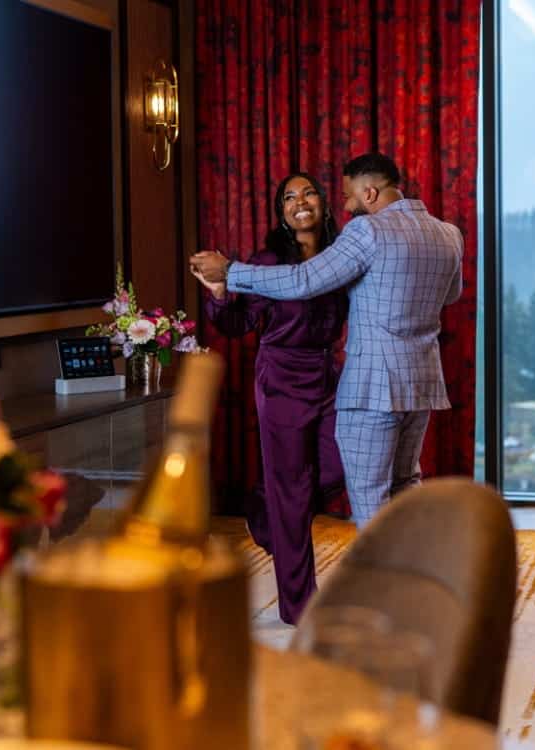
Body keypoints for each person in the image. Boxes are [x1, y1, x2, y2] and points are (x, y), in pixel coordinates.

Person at [191, 153, 463, 527]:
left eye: (350, 197)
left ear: (369, 193)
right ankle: (410, 576)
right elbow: (450, 296)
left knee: (370, 500)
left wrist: (232, 272)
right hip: (421, 387)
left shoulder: (367, 231)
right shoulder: (448, 234)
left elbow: (303, 281)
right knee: (405, 487)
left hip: (372, 389)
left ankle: (378, 584)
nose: (347, 207)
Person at [192, 172, 347, 625]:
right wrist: (220, 295)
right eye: (289, 197)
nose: (300, 201)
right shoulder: (268, 260)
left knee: (339, 464)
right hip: (280, 377)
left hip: (328, 374)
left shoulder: (340, 256)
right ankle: (300, 607)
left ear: (324, 203)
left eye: (309, 192)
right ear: (281, 211)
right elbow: (238, 325)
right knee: (294, 494)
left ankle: (262, 510)